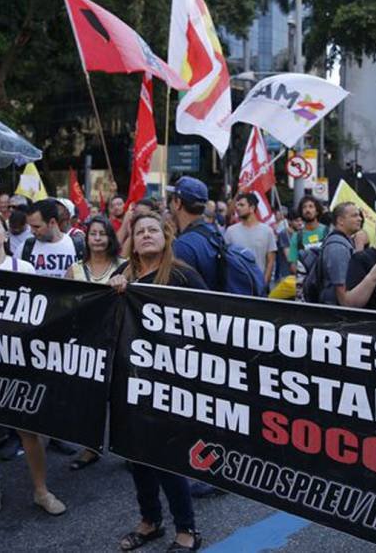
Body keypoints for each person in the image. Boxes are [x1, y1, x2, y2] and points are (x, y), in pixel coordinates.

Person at [109, 212, 204, 552]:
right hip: (130, 380)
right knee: (137, 454)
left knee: (166, 456)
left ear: (165, 238)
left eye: (153, 230)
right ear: (131, 241)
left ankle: (187, 529)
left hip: (170, 382)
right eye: (139, 232)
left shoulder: (183, 275)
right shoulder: (122, 275)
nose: (146, 235)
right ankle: (150, 521)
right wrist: (113, 294)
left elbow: (210, 323)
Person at [0, 212, 66, 516]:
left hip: (17, 359)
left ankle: (40, 490)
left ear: (6, 235)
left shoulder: (23, 267)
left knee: (27, 429)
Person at [65, 215, 124, 470]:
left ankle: (129, 449)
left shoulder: (125, 267)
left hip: (120, 341)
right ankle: (91, 448)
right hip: (87, 344)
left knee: (122, 398)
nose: (98, 238)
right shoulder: (74, 270)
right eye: (93, 234)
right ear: (86, 239)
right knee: (90, 398)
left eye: (103, 234)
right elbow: (64, 306)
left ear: (111, 238)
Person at [224, 193, 276, 291]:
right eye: (237, 206)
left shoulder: (267, 231)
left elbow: (270, 261)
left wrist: (263, 284)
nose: (238, 208)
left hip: (259, 287)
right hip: (236, 288)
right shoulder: (230, 231)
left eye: (242, 205)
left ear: (252, 208)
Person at [316, 202, 362, 306]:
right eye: (354, 215)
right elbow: (341, 288)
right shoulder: (338, 247)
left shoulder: (345, 242)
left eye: (359, 215)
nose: (360, 219)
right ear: (340, 220)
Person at [23, 198, 77, 278]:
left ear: (52, 222)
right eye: (30, 226)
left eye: (36, 227)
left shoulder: (77, 246)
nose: (32, 231)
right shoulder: (25, 248)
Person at [287, 195, 328, 274]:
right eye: (304, 207)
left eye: (311, 206)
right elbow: (293, 264)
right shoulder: (296, 237)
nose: (307, 210)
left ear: (317, 211)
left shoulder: (327, 232)